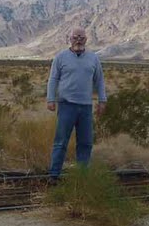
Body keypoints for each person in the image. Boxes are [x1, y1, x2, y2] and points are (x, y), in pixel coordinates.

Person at [46, 27, 107, 182]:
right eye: (75, 37)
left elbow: (99, 80)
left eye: (81, 37)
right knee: (61, 142)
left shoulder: (93, 58)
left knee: (85, 143)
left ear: (86, 39)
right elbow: (53, 79)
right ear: (70, 39)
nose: (78, 40)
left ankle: (82, 176)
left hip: (86, 107)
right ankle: (54, 175)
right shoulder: (60, 57)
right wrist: (51, 99)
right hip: (66, 105)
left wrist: (102, 100)